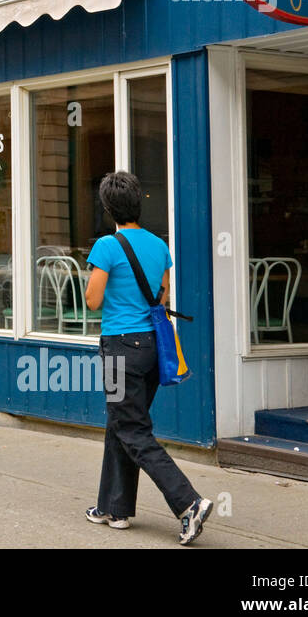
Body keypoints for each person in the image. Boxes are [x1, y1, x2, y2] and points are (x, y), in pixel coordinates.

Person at [82, 171, 212, 546]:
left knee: (131, 428)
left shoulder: (107, 246)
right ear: (139, 203)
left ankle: (189, 503)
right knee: (121, 422)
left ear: (108, 209)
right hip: (153, 348)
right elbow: (163, 296)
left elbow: (93, 300)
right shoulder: (159, 246)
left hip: (120, 346)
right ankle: (114, 508)